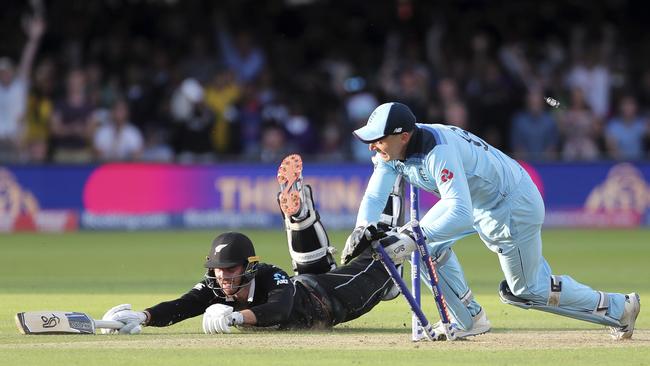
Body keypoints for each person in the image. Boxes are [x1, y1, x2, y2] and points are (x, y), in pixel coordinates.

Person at [346, 101, 640, 340]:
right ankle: (468, 318)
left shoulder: (437, 152)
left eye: (378, 140)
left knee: (525, 291)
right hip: (479, 202)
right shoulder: (393, 152)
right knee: (422, 247)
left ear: (403, 137)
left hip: (511, 204)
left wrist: (409, 238)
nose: (372, 146)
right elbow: (374, 196)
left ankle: (620, 308)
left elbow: (460, 214)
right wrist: (362, 227)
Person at [101, 155, 402, 334]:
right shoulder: (217, 285)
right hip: (310, 277)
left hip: (333, 298)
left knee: (383, 251)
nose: (222, 276)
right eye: (217, 270)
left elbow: (280, 309)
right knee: (308, 246)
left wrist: (234, 317)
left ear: (248, 266)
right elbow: (182, 305)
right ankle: (299, 214)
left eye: (229, 269)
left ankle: (391, 172)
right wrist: (143, 316)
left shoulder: (270, 275)